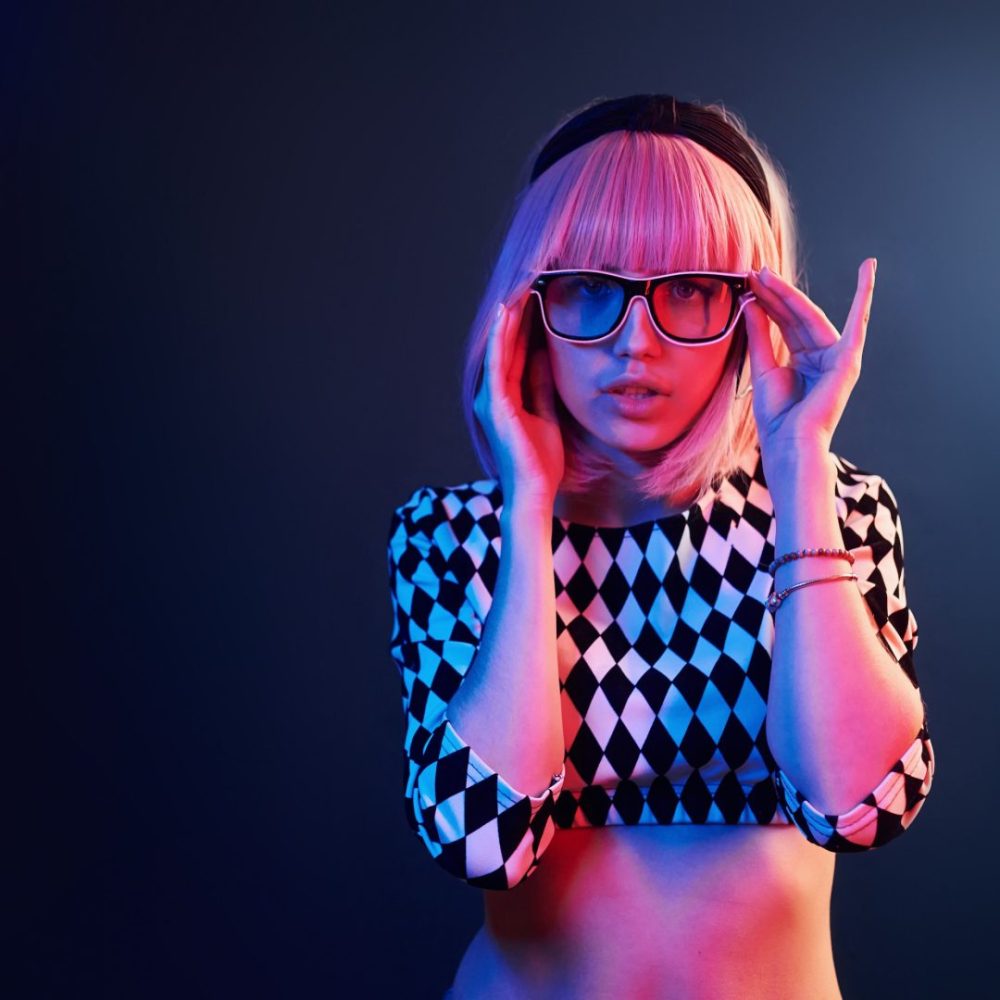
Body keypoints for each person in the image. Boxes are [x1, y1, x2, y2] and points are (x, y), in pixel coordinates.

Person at [385, 94, 935, 1000]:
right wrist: (528, 508)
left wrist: (798, 468)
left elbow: (862, 806)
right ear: (529, 308)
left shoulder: (837, 512)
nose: (634, 344)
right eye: (588, 287)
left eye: (689, 290)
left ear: (753, 310)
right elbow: (485, 841)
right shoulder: (454, 536)